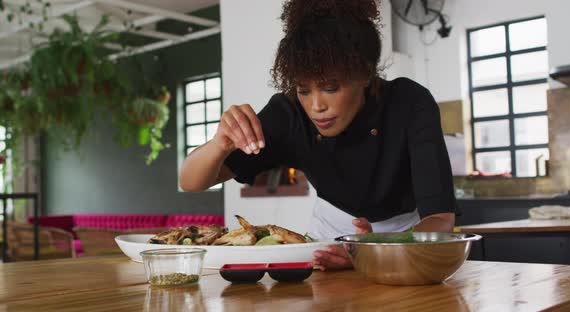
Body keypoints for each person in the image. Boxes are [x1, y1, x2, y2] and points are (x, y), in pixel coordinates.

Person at [179, 0, 456, 271]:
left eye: (331, 88)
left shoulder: (408, 102)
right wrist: (219, 144)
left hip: (406, 241)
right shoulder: (288, 113)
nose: (316, 106)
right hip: (326, 242)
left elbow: (440, 219)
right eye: (303, 89)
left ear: (365, 75)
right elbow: (191, 181)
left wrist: (373, 248)